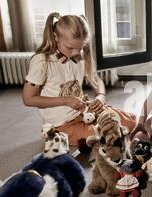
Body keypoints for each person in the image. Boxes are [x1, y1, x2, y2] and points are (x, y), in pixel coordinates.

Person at [22, 12, 136, 147]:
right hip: (62, 121)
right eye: (70, 48)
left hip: (85, 110)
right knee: (102, 137)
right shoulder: (42, 61)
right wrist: (65, 100)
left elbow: (96, 79)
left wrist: (100, 96)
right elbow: (28, 99)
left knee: (130, 121)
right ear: (55, 37)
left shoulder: (80, 54)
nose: (76, 53)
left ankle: (93, 124)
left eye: (80, 48)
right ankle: (55, 132)